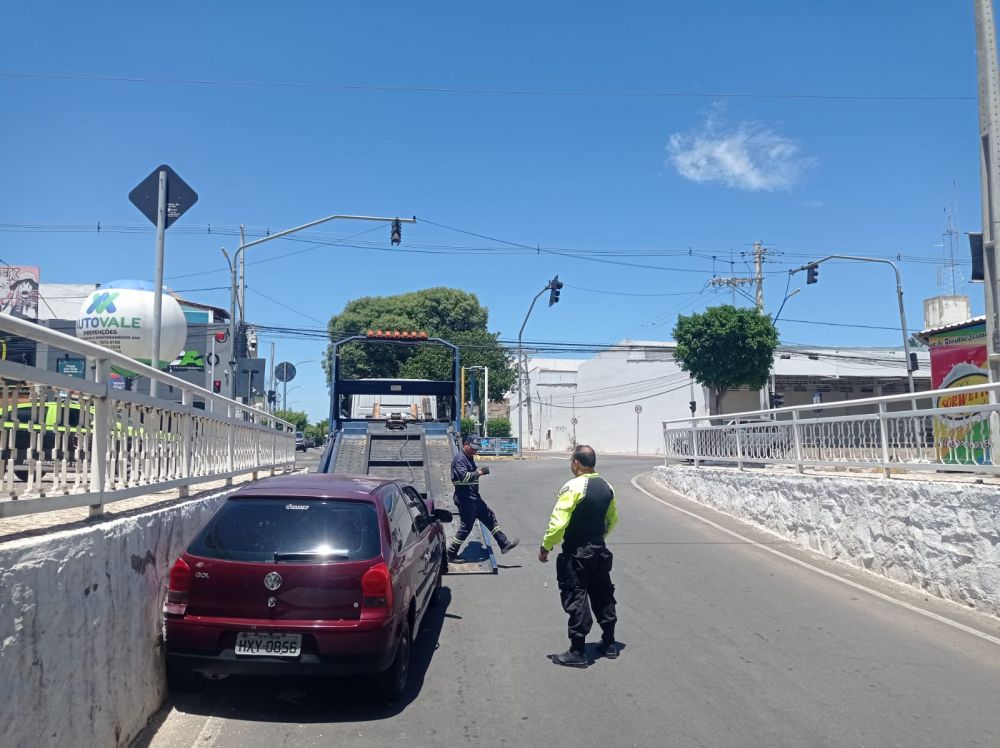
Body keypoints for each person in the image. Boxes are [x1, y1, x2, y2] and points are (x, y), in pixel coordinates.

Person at [538, 445, 619, 668]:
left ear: (575, 463)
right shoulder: (606, 486)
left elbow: (558, 522)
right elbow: (612, 519)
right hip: (600, 550)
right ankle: (609, 643)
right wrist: (599, 537)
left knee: (576, 596)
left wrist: (546, 546)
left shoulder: (572, 487)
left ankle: (577, 651)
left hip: (577, 552)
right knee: (603, 593)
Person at [447, 435, 519, 561]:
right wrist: (480, 472)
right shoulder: (460, 459)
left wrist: (477, 474)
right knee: (466, 527)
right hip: (465, 499)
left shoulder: (469, 457)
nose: (475, 451)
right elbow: (464, 477)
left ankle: (504, 544)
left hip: (474, 498)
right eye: (473, 448)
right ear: (466, 444)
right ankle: (451, 553)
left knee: (489, 516)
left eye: (477, 449)